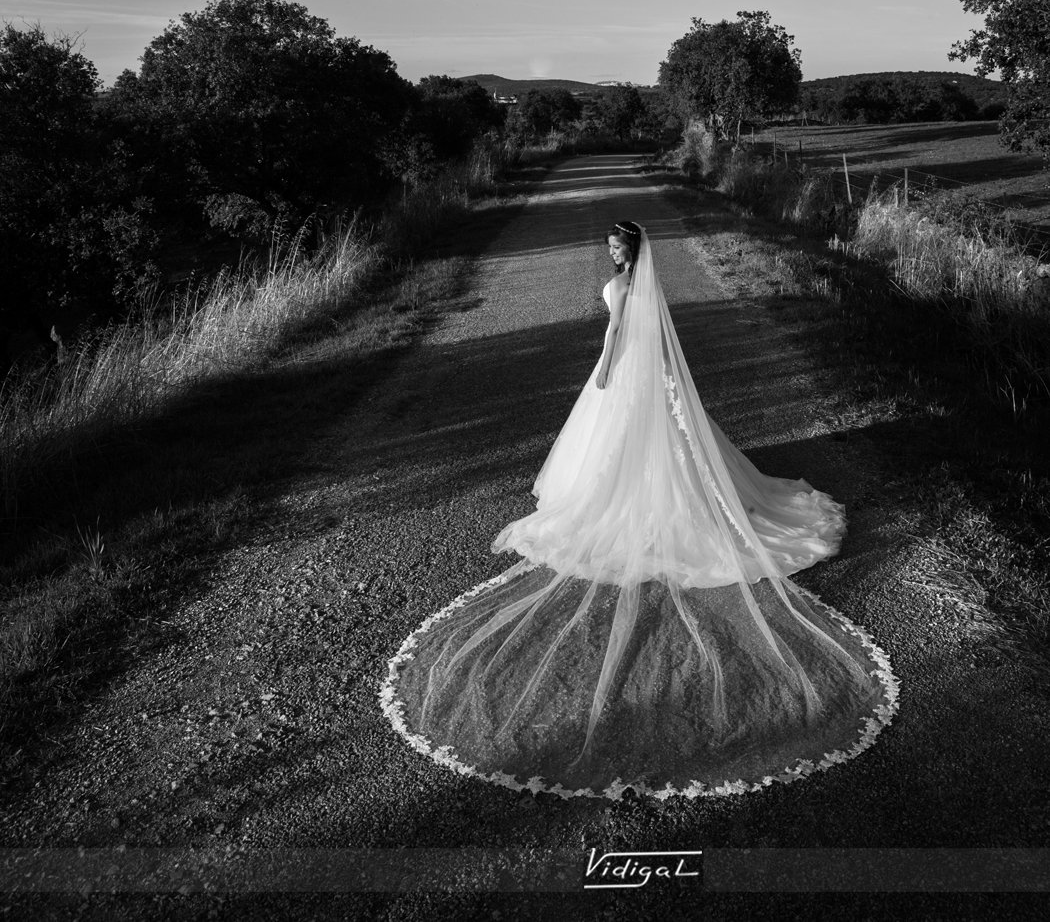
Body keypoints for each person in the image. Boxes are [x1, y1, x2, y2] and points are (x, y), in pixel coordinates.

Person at [381, 220, 898, 800]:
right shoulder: (637, 280)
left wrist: (604, 367)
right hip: (645, 368)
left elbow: (617, 331)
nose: (611, 251)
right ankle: (655, 491)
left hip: (625, 366)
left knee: (626, 446)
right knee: (646, 444)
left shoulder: (628, 286)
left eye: (617, 245)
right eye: (608, 245)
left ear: (634, 249)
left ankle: (640, 502)